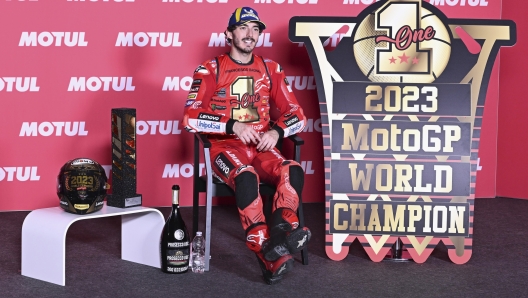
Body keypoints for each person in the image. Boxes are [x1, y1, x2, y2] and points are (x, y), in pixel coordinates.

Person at [182, 7, 311, 285]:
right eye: (243, 28)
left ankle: (280, 233)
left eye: (255, 29)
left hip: (263, 146)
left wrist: (277, 133)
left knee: (293, 169)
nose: (250, 34)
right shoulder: (210, 69)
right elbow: (190, 115)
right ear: (228, 33)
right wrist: (233, 126)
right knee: (246, 176)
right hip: (224, 148)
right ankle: (268, 249)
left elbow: (298, 114)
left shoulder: (271, 68)